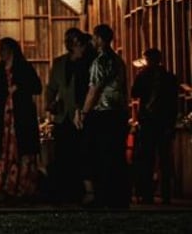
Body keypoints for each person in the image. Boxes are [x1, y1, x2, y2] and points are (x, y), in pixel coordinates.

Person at [74, 23, 130, 209]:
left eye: (94, 37)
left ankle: (101, 196)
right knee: (116, 155)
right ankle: (118, 197)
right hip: (118, 112)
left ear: (98, 39)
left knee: (98, 154)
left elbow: (94, 89)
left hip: (103, 113)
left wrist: (84, 112)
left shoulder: (100, 61)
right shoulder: (118, 60)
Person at [0, 36, 42, 202]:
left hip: (22, 116)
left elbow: (37, 87)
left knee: (24, 151)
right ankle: (3, 187)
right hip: (3, 118)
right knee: (4, 150)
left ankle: (23, 189)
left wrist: (20, 87)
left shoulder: (24, 68)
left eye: (2, 49)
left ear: (10, 51)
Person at [44, 27, 94, 204]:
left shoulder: (88, 63)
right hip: (62, 115)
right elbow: (51, 87)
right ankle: (64, 191)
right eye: (67, 40)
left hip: (80, 114)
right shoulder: (59, 63)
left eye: (72, 40)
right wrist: (49, 104)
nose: (68, 43)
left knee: (79, 153)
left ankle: (78, 190)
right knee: (62, 154)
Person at [131, 47, 178, 205]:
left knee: (147, 159)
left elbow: (134, 93)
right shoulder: (169, 77)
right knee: (164, 160)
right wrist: (171, 124)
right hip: (164, 122)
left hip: (148, 122)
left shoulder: (143, 76)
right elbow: (173, 104)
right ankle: (166, 195)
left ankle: (147, 194)